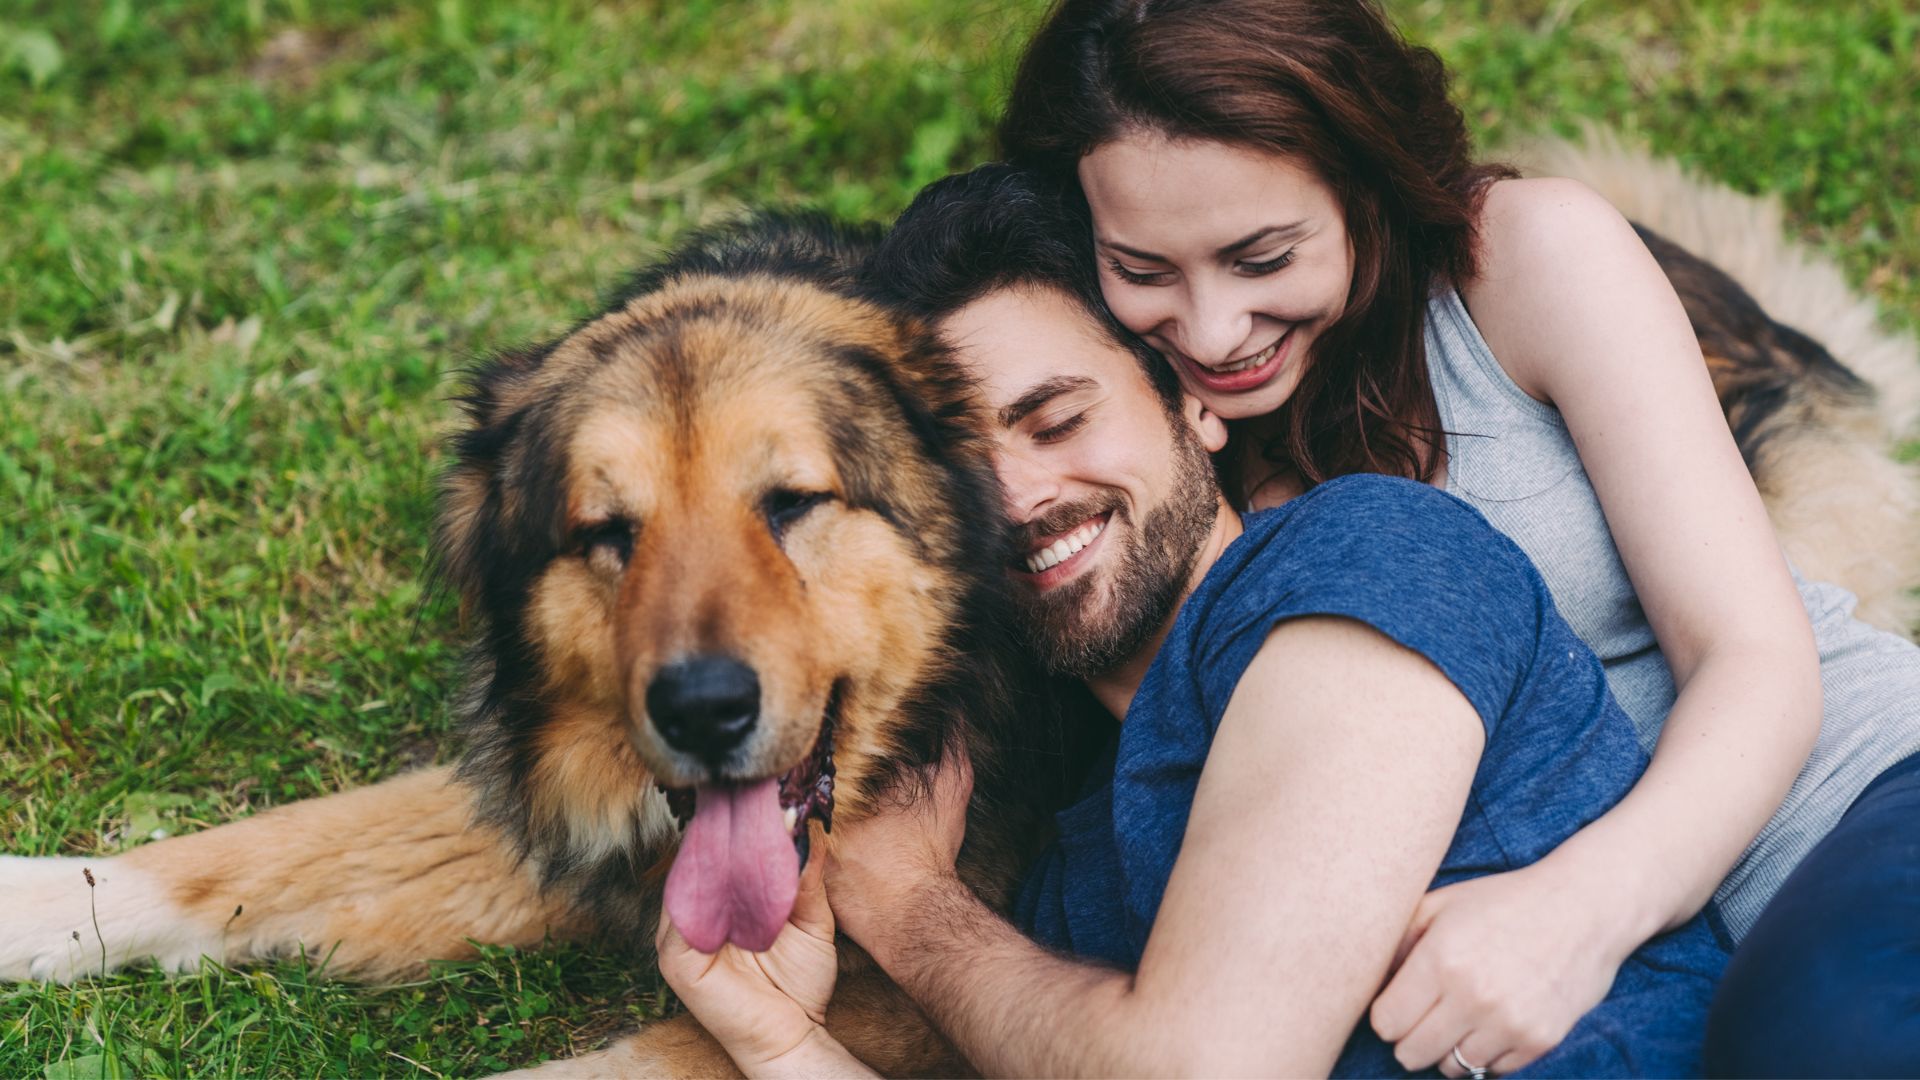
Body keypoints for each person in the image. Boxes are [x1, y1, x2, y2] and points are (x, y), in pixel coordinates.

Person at [987, 0, 1920, 1074]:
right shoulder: (1139, 440)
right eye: (1144, 271)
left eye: (1262, 256)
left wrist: (1577, 912)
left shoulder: (1521, 262)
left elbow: (1751, 659)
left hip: (1834, 817)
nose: (1212, 331)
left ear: (1360, 182)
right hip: (1619, 988)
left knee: (1832, 1036)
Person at [658, 163, 1728, 1077]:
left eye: (1059, 419)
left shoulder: (1363, 558)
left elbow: (1210, 1067)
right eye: (957, 474)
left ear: (1193, 401)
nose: (1020, 500)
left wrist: (905, 907)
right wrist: (781, 1046)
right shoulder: (1065, 888)